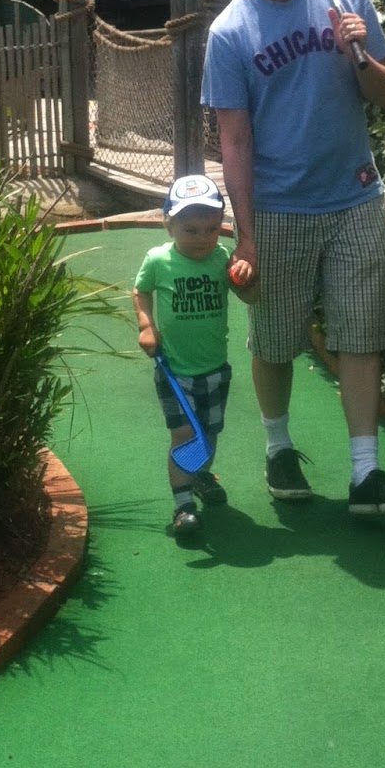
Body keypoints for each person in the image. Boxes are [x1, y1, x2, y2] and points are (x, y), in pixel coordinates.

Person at [200, 0, 385, 516]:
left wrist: (361, 56)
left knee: (360, 333)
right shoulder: (230, 31)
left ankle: (366, 474)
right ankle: (278, 449)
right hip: (279, 207)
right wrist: (245, 234)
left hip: (354, 197)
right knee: (274, 341)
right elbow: (234, 140)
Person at [133, 174, 259, 537]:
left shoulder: (222, 260)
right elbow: (141, 291)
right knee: (184, 434)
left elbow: (252, 298)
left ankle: (201, 475)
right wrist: (146, 325)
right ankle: (183, 505)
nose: (203, 238)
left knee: (209, 433)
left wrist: (247, 279)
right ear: (168, 225)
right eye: (191, 230)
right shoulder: (158, 260)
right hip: (174, 370)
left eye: (211, 229)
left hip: (215, 370)